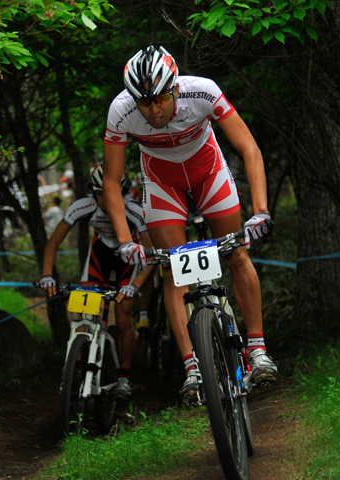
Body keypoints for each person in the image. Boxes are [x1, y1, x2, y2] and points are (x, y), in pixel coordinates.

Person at [102, 45, 277, 406]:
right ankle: (192, 368)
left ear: (176, 89)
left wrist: (260, 211)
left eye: (161, 98)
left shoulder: (203, 91)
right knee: (174, 270)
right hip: (163, 184)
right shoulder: (120, 112)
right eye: (144, 101)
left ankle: (257, 348)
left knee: (236, 254)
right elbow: (112, 181)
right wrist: (124, 240)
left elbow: (249, 148)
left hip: (208, 172)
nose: (153, 109)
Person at [39, 164, 154, 400]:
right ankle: (78, 369)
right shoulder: (84, 206)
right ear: (94, 191)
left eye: (110, 192)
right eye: (100, 192)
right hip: (99, 258)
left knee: (123, 317)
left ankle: (124, 378)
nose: (104, 198)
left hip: (127, 262)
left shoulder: (133, 210)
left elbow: (150, 255)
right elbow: (53, 242)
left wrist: (135, 285)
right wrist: (47, 274)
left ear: (120, 191)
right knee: (83, 314)